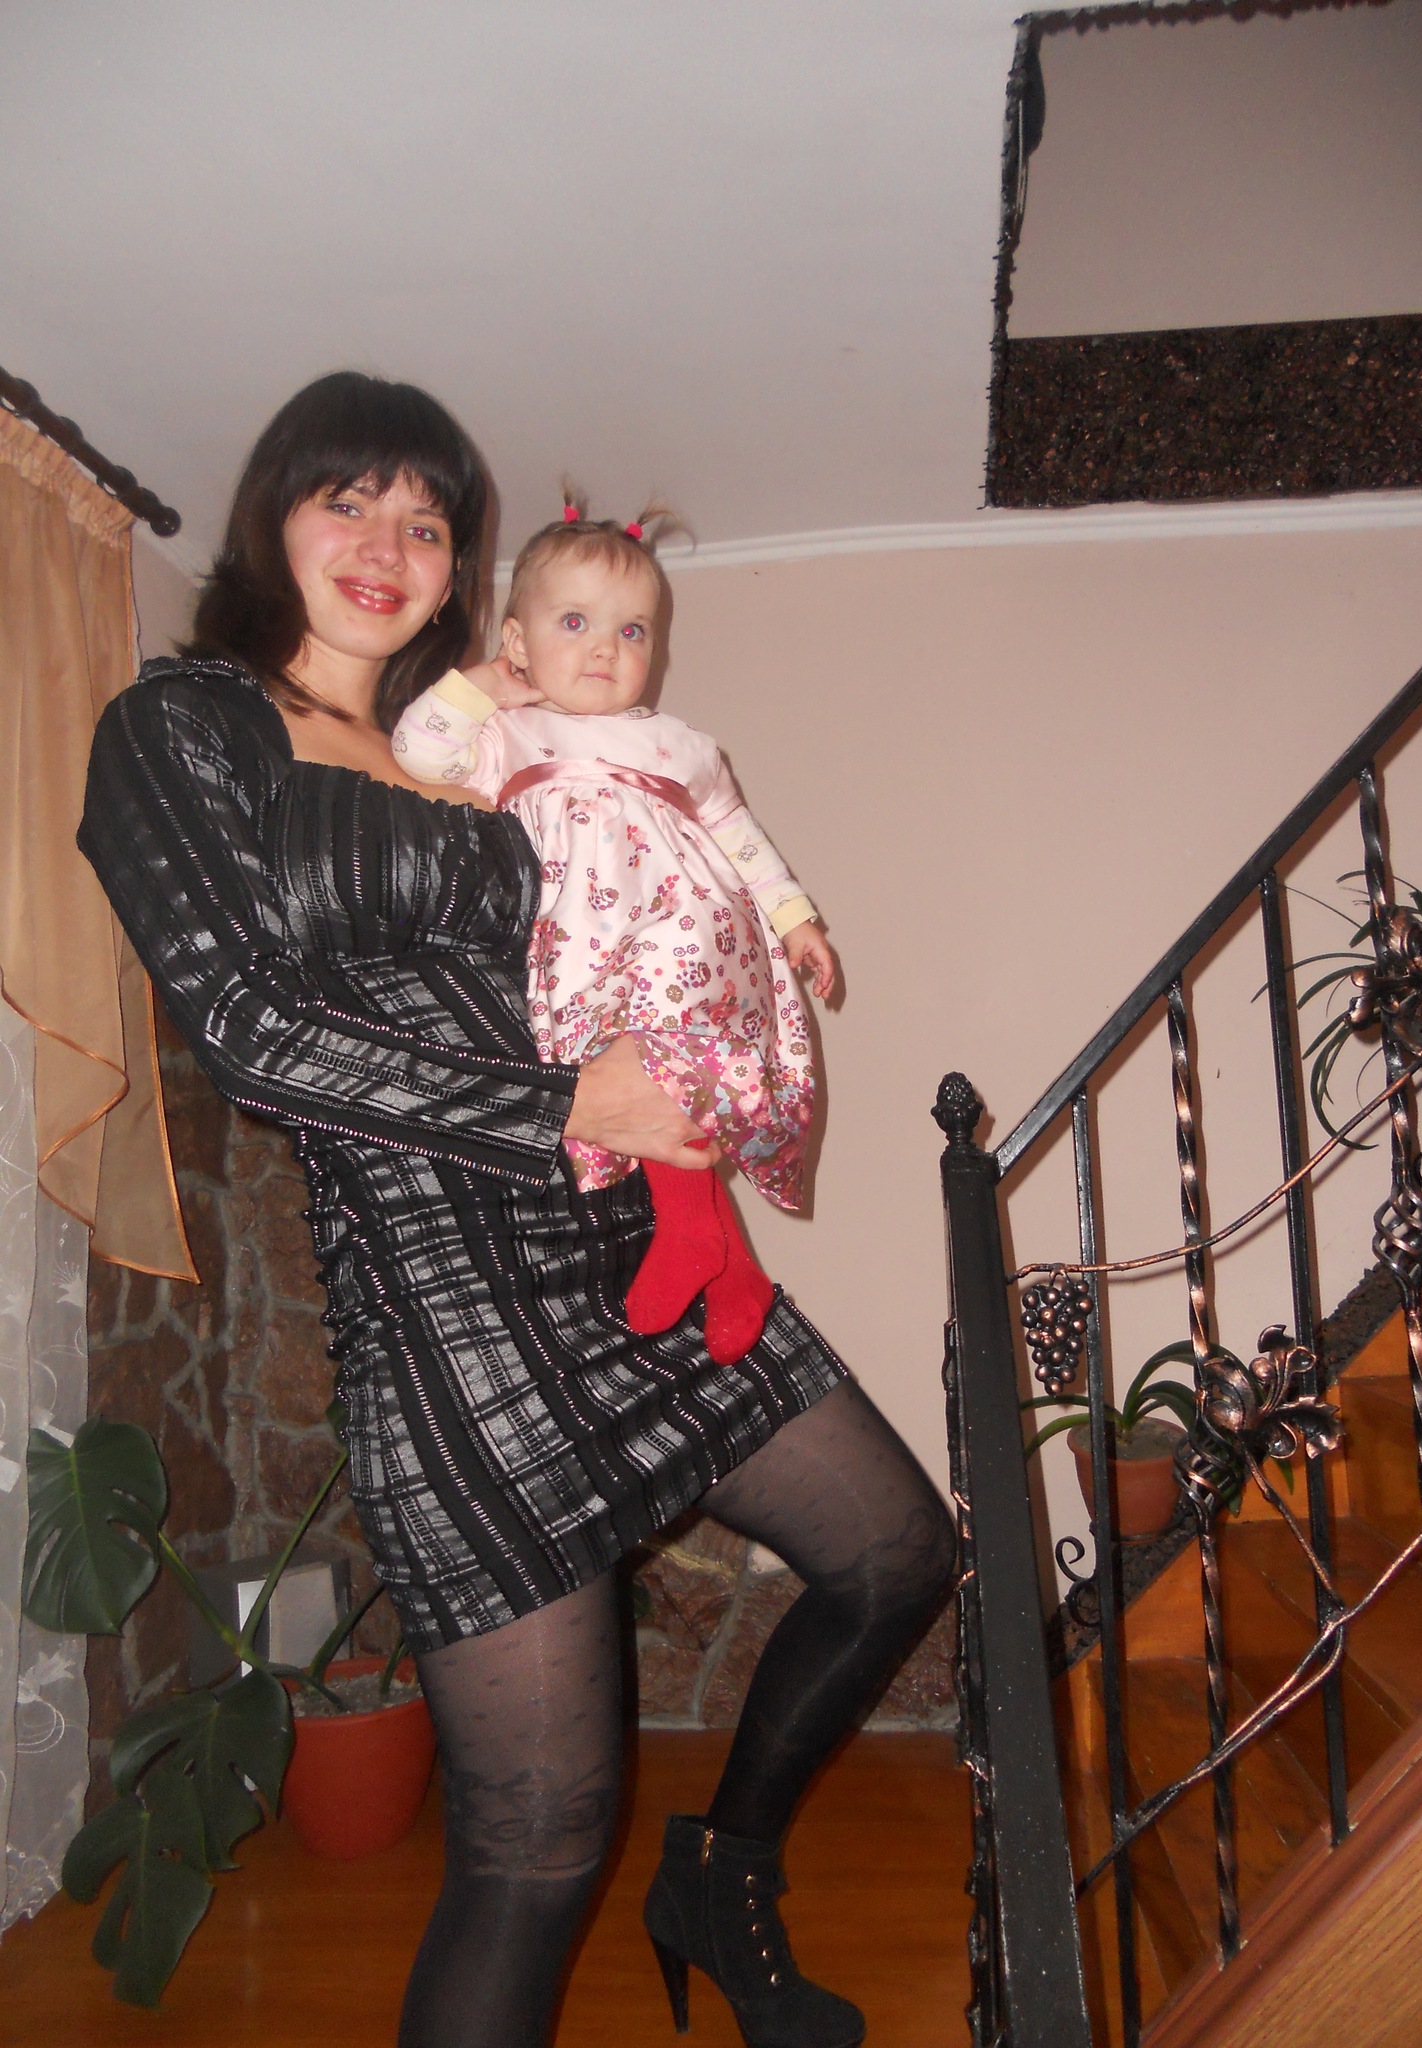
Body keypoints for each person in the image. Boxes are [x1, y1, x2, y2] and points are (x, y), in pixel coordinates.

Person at [78, 371, 954, 2048]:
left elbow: (621, 908)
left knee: (900, 1549)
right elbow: (252, 1030)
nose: (385, 542)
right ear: (271, 513)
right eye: (348, 498)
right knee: (536, 1849)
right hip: (446, 1319)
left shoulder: (476, 742)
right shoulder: (182, 723)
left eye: (427, 522)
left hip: (621, 1246)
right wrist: (566, 1105)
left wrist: (710, 1014)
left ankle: (723, 1877)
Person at [390, 497, 833, 1368]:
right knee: (633, 1090)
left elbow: (740, 836)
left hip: (685, 925)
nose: (605, 648)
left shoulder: (681, 744)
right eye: (575, 622)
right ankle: (728, 1264)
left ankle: (694, 1238)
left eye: (632, 632)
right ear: (517, 642)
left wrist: (795, 918)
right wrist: (486, 684)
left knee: (660, 1052)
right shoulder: (507, 733)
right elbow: (418, 750)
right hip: (577, 945)